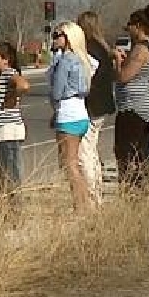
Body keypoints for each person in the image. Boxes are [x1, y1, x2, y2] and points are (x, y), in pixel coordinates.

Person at [113, 6, 149, 187]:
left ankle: (133, 187)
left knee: (127, 151)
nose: (128, 30)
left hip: (135, 106)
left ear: (138, 26)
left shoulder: (141, 48)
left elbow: (124, 76)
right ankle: (143, 186)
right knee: (143, 149)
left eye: (129, 25)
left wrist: (118, 61)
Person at [47, 21, 95, 212]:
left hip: (67, 115)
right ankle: (84, 203)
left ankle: (81, 205)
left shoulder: (66, 60)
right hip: (81, 113)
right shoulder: (82, 59)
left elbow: (57, 92)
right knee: (75, 162)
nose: (54, 39)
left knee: (70, 164)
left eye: (57, 35)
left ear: (68, 38)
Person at [76, 11, 116, 205]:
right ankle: (96, 192)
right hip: (102, 105)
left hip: (91, 105)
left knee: (84, 153)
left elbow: (86, 79)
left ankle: (92, 196)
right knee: (92, 150)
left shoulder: (89, 49)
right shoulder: (103, 47)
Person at [0, 41, 30, 199]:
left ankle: (15, 207)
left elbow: (23, 85)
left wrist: (12, 97)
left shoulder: (8, 73)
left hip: (8, 131)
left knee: (11, 175)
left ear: (6, 59)